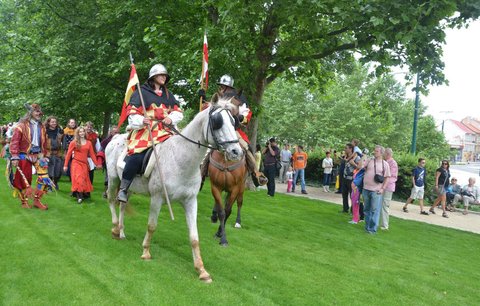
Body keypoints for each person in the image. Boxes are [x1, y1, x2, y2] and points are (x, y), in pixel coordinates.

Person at [117, 64, 184, 203]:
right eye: (161, 75)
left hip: (166, 130)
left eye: (165, 75)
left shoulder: (168, 94)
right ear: (153, 77)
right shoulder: (141, 93)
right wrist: (142, 120)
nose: (164, 77)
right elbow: (132, 115)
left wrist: (170, 118)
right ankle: (123, 188)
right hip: (146, 131)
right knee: (136, 156)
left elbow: (178, 112)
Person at [200, 74, 266, 187]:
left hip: (234, 130)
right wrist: (202, 99)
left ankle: (256, 173)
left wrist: (241, 117)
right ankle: (201, 176)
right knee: (208, 150)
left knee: (246, 148)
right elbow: (208, 109)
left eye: (222, 85)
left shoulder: (239, 98)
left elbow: (247, 114)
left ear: (228, 87)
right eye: (220, 85)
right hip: (220, 130)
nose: (220, 87)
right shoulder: (219, 97)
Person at [9, 103, 50, 210]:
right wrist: (14, 156)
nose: (39, 114)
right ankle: (24, 201)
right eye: (36, 112)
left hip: (39, 155)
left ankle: (37, 200)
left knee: (44, 178)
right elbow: (15, 141)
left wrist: (45, 155)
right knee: (24, 178)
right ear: (30, 113)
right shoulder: (21, 126)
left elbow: (45, 142)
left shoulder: (42, 126)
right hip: (24, 155)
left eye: (40, 112)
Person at [63, 126, 101, 203]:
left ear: (85, 132)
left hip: (84, 164)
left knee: (83, 179)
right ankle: (79, 197)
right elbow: (68, 154)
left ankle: (79, 193)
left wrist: (96, 164)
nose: (82, 133)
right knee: (79, 178)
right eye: (80, 132)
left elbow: (92, 154)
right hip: (76, 163)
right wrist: (65, 165)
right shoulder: (73, 142)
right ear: (77, 133)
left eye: (83, 131)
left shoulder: (89, 143)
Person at [362, 145, 391, 234]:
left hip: (376, 190)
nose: (374, 152)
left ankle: (372, 229)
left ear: (381, 153)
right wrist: (364, 156)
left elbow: (387, 177)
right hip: (366, 189)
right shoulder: (370, 160)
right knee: (366, 209)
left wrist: (383, 189)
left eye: (376, 151)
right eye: (374, 151)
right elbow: (361, 167)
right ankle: (367, 227)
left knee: (374, 210)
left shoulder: (385, 164)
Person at [379, 148, 398, 230]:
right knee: (380, 205)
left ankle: (385, 225)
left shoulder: (393, 163)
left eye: (384, 153)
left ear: (387, 154)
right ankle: (380, 223)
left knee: (385, 206)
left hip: (388, 187)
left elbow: (391, 176)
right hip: (383, 186)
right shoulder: (385, 162)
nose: (383, 155)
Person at [99, 126, 119, 198]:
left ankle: (117, 194)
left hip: (118, 162)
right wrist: (100, 162)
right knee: (108, 177)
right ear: (111, 133)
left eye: (118, 132)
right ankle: (106, 192)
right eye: (115, 132)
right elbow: (101, 152)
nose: (117, 134)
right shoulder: (106, 141)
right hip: (109, 162)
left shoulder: (121, 140)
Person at [44, 116, 64, 189]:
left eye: (55, 122)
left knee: (58, 171)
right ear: (49, 122)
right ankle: (49, 185)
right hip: (48, 153)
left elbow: (63, 142)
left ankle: (55, 182)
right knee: (50, 171)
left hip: (58, 153)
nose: (54, 123)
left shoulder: (60, 131)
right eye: (52, 122)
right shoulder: (45, 131)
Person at [341, 144, 361, 214]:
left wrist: (353, 164)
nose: (345, 149)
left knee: (352, 195)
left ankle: (353, 211)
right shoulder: (346, 157)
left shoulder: (356, 157)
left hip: (352, 180)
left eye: (346, 148)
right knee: (344, 194)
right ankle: (345, 209)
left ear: (350, 149)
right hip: (344, 178)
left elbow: (360, 168)